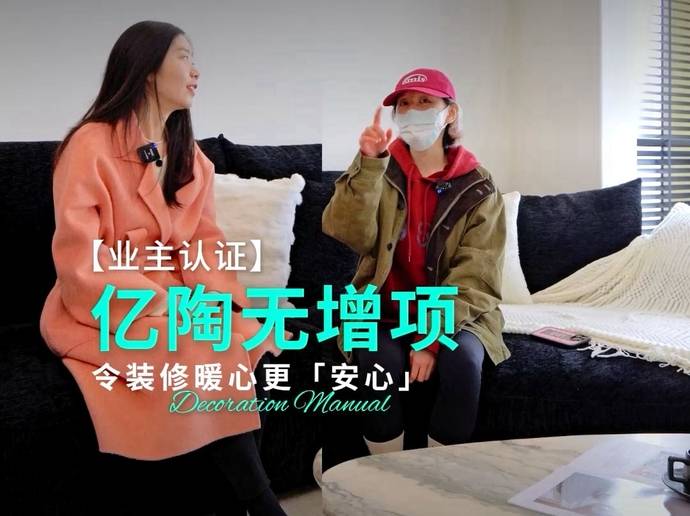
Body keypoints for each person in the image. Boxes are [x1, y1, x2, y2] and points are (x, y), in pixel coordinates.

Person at [39, 20, 287, 516]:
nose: (196, 71)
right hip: (106, 304)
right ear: (148, 67)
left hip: (180, 295)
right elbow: (82, 257)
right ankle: (263, 506)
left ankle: (237, 502)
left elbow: (205, 245)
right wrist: (167, 304)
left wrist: (222, 302)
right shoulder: (89, 145)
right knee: (200, 345)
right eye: (183, 56)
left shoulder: (191, 158)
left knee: (253, 339)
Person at [321, 67, 512, 456]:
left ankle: (439, 477)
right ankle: (388, 472)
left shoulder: (478, 185)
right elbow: (346, 232)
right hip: (381, 309)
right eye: (404, 104)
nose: (413, 111)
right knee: (375, 363)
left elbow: (476, 277)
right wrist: (368, 164)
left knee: (462, 364)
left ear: (450, 113)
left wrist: (429, 337)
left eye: (425, 102)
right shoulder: (380, 167)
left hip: (457, 314)